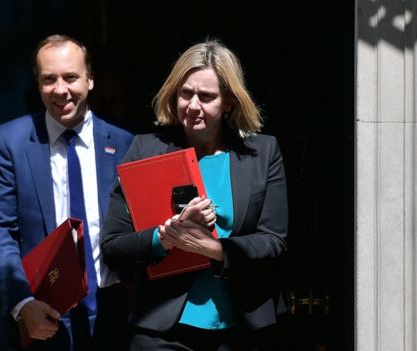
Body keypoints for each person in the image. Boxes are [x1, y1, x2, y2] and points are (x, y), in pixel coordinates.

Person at [101, 40, 288, 350]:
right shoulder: (145, 149)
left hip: (243, 328)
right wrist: (165, 237)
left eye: (207, 96)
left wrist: (214, 249)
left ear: (229, 102)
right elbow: (113, 246)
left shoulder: (262, 153)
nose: (193, 106)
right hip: (161, 330)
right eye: (186, 93)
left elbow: (274, 241)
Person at [0, 34, 133, 351]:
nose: (60, 90)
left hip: (111, 315)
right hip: (39, 315)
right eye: (49, 79)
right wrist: (23, 305)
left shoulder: (125, 143)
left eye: (71, 77)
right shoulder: (10, 142)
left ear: (90, 80)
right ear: (38, 84)